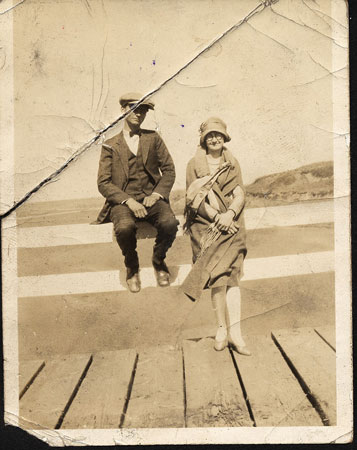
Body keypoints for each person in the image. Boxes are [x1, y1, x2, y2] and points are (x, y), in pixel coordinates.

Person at [95, 92, 179, 293]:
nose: (138, 114)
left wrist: (156, 195)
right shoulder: (110, 144)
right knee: (124, 228)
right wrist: (128, 202)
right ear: (123, 110)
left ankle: (159, 261)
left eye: (143, 110)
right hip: (123, 203)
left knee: (169, 223)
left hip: (152, 199)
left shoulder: (153, 138)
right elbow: (103, 182)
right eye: (134, 108)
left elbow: (169, 170)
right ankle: (132, 267)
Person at [181, 117, 251, 356]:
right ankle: (221, 331)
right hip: (206, 227)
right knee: (216, 279)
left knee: (232, 278)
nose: (214, 139)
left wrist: (229, 214)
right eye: (210, 135)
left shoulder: (232, 163)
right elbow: (193, 199)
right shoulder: (194, 165)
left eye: (218, 135)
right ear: (203, 139)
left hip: (232, 226)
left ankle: (237, 333)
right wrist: (217, 219)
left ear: (224, 137)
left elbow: (240, 193)